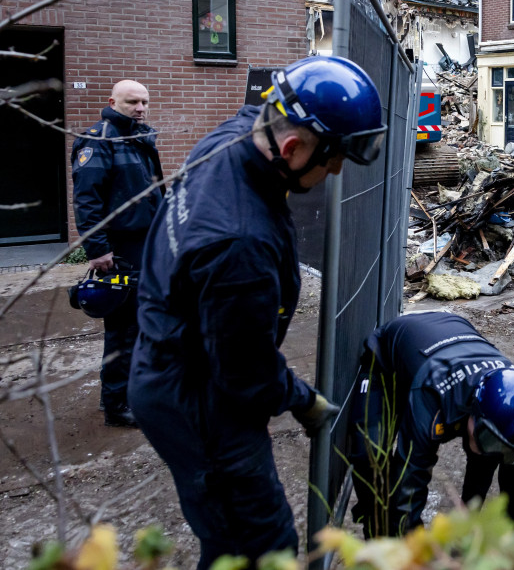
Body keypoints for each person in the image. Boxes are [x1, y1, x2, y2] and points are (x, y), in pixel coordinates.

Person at [128, 56, 387, 568]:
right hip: (197, 399)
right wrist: (301, 399)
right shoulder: (239, 245)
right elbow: (245, 373)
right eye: (333, 159)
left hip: (173, 356)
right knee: (256, 547)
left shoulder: (235, 136)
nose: (336, 171)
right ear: (291, 149)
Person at [349, 311, 514, 538]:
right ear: (474, 409)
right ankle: (376, 531)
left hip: (455, 337)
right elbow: (410, 483)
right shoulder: (431, 396)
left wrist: (510, 538)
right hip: (389, 355)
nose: (489, 452)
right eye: (488, 438)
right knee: (369, 454)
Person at [71, 79, 163, 428]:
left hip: (145, 244)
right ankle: (116, 405)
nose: (140, 108)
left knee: (141, 323)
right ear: (113, 101)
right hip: (121, 250)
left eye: (144, 102)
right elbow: (87, 199)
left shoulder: (139, 137)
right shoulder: (99, 139)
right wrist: (97, 249)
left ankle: (131, 392)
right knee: (123, 328)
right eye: (131, 102)